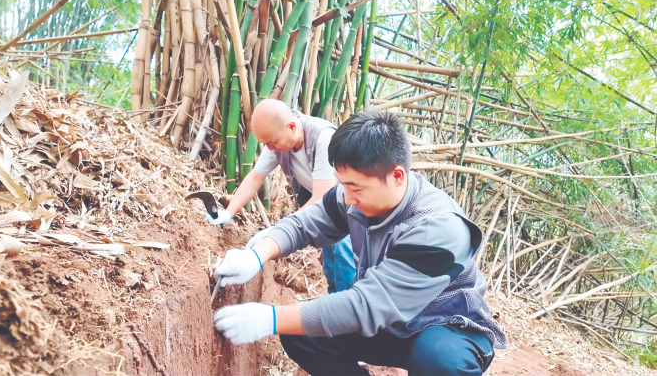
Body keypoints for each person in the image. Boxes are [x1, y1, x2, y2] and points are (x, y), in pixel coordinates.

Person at [212, 111, 506, 376]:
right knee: (300, 332)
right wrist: (256, 254)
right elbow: (304, 225)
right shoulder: (355, 196)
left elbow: (368, 306)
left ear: (397, 176)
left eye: (355, 188)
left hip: (444, 328)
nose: (348, 199)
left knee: (439, 358)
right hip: (392, 327)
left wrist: (270, 318)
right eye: (343, 185)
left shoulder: (440, 228)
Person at [205, 99, 356, 293]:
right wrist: (229, 212)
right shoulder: (278, 143)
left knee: (343, 257)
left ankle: (347, 308)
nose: (270, 148)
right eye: (266, 144)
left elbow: (321, 199)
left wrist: (276, 232)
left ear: (292, 127)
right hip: (323, 204)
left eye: (272, 143)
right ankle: (335, 301)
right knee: (330, 263)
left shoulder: (323, 138)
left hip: (347, 204)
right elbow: (255, 178)